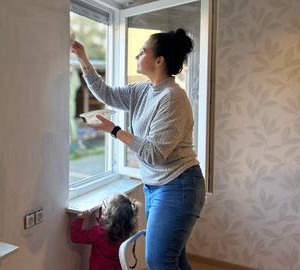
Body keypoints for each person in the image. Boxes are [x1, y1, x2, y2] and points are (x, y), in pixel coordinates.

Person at [70, 28, 206, 270]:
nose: (137, 55)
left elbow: (154, 153)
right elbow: (107, 94)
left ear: (159, 60)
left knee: (159, 260)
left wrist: (114, 130)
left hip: (179, 185)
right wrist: (82, 58)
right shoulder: (143, 90)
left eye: (143, 51)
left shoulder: (173, 97)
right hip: (157, 186)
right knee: (173, 258)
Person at [70, 193, 140, 270]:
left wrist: (80, 219)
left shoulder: (98, 233)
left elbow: (75, 237)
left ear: (107, 215)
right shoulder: (124, 232)